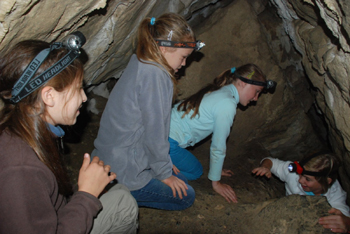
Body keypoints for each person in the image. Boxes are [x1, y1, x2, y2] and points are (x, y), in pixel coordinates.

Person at [0, 36, 138, 233]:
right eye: (78, 88)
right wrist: (87, 195)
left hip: (54, 214)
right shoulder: (20, 169)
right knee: (125, 203)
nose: (84, 97)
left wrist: (87, 185)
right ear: (49, 96)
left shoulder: (24, 128)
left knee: (121, 191)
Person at [92, 13, 205, 210]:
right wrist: (164, 173)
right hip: (125, 170)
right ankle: (117, 195)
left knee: (180, 177)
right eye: (183, 57)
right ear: (164, 48)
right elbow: (155, 132)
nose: (184, 64)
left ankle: (112, 186)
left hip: (109, 157)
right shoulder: (157, 76)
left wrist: (165, 164)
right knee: (187, 195)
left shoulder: (140, 62)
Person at [169, 64, 275, 203]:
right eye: (257, 91)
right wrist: (216, 182)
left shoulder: (221, 91)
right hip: (168, 141)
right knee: (195, 172)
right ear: (243, 83)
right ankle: (154, 165)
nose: (256, 98)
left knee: (194, 168)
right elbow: (218, 147)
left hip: (161, 131)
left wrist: (216, 171)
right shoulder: (227, 104)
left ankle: (156, 158)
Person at [252, 152, 350, 233]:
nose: (300, 180)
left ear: (327, 181)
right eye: (300, 175)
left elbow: (343, 216)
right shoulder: (293, 174)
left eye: (307, 179)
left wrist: (347, 222)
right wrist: (265, 167)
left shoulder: (335, 194)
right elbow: (271, 161)